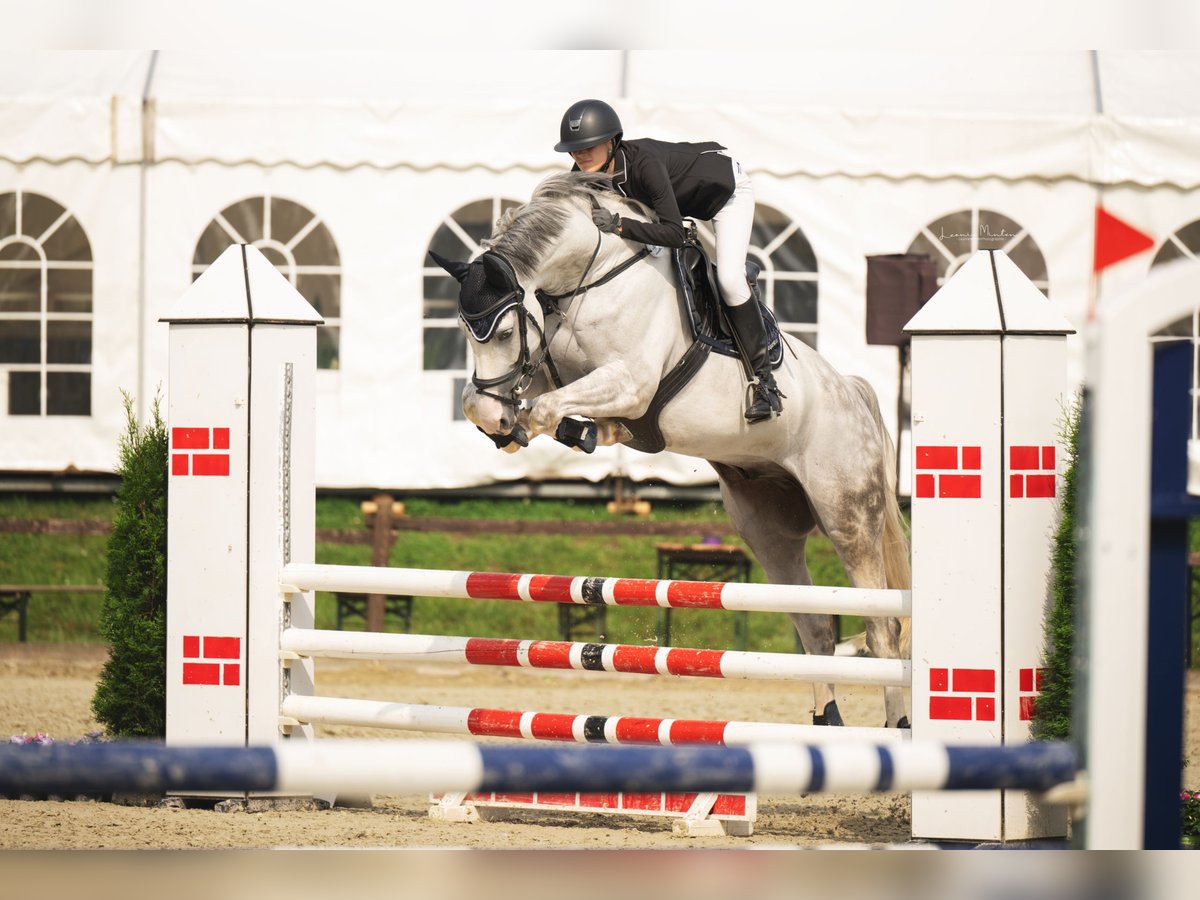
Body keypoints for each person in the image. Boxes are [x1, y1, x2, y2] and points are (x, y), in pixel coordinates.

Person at [554, 98, 783, 424]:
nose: (581, 155)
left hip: (724, 195)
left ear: (611, 141)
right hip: (672, 206)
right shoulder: (583, 173)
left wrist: (620, 225)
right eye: (575, 149)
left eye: (589, 146)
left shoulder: (644, 165)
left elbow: (674, 233)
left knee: (729, 280)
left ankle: (765, 384)